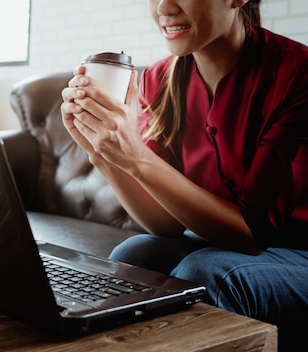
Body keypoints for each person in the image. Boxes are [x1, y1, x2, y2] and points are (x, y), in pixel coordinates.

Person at [60, 0, 308, 349]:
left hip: (297, 250)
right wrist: (100, 152)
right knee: (134, 256)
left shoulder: (297, 73)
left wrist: (136, 158)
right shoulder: (158, 80)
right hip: (225, 242)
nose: (164, 6)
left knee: (206, 273)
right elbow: (165, 226)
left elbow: (252, 235)